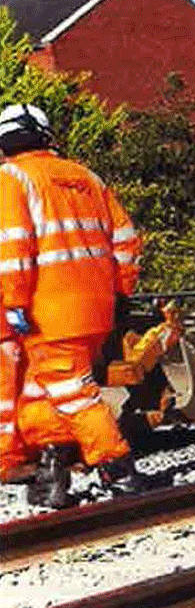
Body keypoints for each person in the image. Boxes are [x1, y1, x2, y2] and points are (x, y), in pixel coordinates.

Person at [0, 102, 145, 507]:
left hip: (46, 310)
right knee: (39, 390)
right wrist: (119, 291)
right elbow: (126, 241)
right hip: (96, 306)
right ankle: (52, 470)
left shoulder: (11, 179)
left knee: (71, 392)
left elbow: (12, 251)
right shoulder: (87, 178)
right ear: (46, 136)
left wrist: (13, 304)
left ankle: (119, 468)